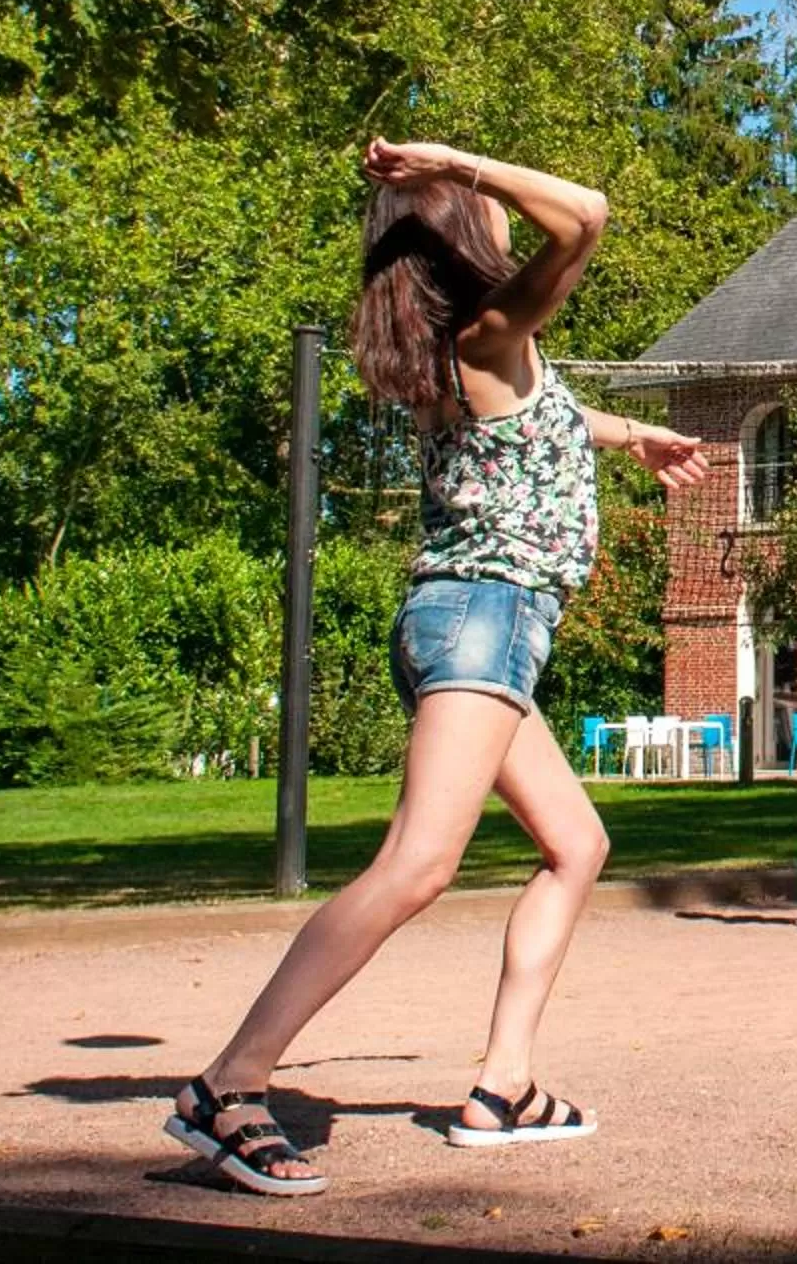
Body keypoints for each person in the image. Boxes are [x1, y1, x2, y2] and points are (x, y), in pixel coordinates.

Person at [164, 140, 709, 1197]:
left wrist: (629, 432)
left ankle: (503, 1086)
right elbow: (588, 215)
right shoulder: (488, 331)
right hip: (481, 623)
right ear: (466, 231)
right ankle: (227, 1087)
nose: (501, 214)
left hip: (476, 627)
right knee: (417, 866)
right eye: (480, 207)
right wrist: (460, 162)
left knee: (577, 844)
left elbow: (542, 419)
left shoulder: (468, 356)